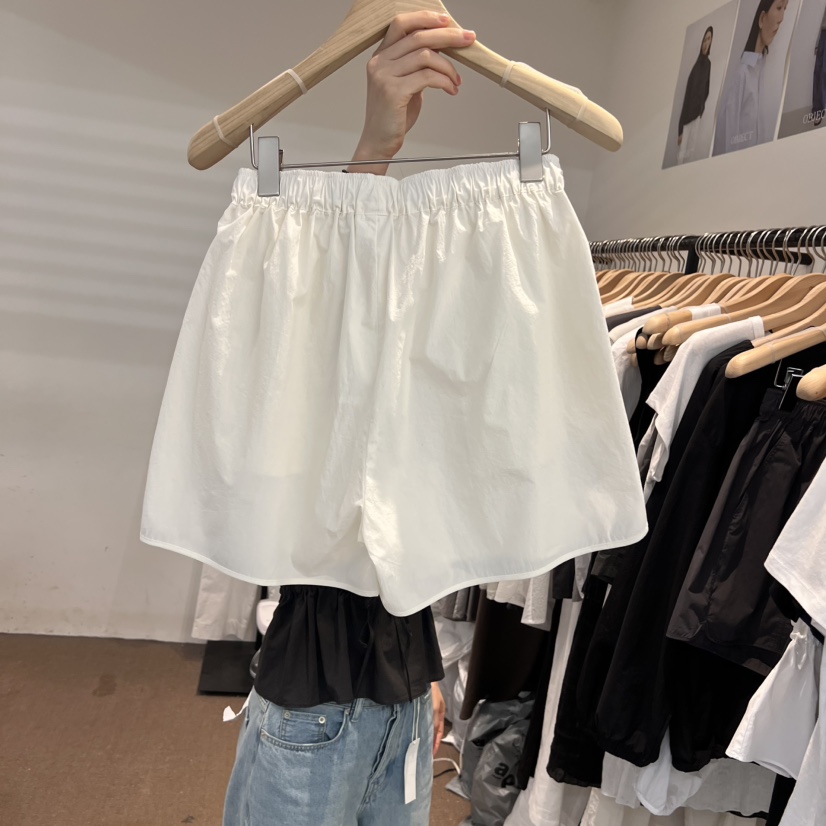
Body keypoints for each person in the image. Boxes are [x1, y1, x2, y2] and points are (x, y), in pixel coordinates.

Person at [222, 11, 475, 826]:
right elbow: (329, 340)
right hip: (319, 692)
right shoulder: (287, 317)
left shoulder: (434, 325)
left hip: (405, 694)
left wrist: (425, 673)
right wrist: (373, 151)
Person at [715, 0, 789, 154]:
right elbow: (727, 139)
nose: (782, 18)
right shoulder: (742, 74)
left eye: (785, 9)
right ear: (762, 18)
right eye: (779, 7)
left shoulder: (761, 72)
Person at [677, 26, 713, 165]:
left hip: (697, 117)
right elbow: (687, 98)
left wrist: (701, 109)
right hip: (687, 120)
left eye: (709, 39)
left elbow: (706, 89)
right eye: (704, 39)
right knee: (681, 157)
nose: (706, 43)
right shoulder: (695, 67)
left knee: (690, 156)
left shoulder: (708, 65)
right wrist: (680, 130)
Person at [812, 4, 826, 127]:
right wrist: (817, 42)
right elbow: (822, 19)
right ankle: (818, 110)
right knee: (819, 72)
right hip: (824, 34)